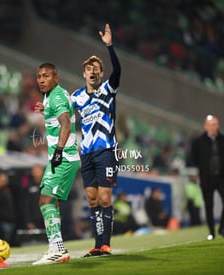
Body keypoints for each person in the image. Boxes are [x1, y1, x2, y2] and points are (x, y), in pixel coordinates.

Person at [70, 23, 121, 257]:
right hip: (87, 153)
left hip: (106, 151)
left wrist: (109, 47)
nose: (92, 71)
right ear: (84, 73)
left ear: (101, 73)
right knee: (92, 200)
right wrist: (45, 109)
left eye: (96, 69)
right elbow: (63, 115)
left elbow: (118, 71)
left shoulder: (108, 90)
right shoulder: (76, 96)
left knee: (104, 196)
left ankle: (106, 245)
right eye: (89, 68)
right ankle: (97, 244)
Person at [32, 63, 80, 265]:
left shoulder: (57, 96)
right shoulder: (51, 96)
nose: (42, 80)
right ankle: (56, 248)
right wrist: (46, 110)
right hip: (60, 158)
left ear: (56, 78)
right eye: (39, 76)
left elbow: (66, 123)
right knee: (52, 202)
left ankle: (57, 249)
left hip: (64, 157)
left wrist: (59, 150)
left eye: (46, 76)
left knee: (45, 201)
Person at [190, 115, 224, 240]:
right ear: (205, 126)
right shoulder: (199, 142)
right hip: (207, 179)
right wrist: (203, 170)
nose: (213, 127)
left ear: (218, 126)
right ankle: (212, 232)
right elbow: (194, 158)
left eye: (215, 124)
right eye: (210, 125)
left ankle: (222, 227)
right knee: (209, 206)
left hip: (222, 177)